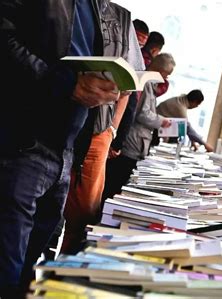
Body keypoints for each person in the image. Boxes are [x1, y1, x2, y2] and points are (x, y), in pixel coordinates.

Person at [0, 0, 121, 296]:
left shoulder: (97, 6)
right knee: (8, 274)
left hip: (65, 150)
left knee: (30, 274)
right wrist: (65, 84)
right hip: (24, 143)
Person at [60, 3, 146, 255]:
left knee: (85, 209)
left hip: (98, 128)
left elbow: (128, 89)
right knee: (48, 204)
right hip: (59, 115)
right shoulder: (71, 7)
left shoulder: (121, 18)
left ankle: (66, 266)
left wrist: (112, 130)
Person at [101, 53, 175, 201]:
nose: (166, 79)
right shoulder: (146, 83)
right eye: (166, 75)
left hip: (137, 143)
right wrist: (162, 121)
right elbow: (142, 113)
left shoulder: (150, 84)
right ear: (159, 71)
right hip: (133, 142)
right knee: (114, 186)